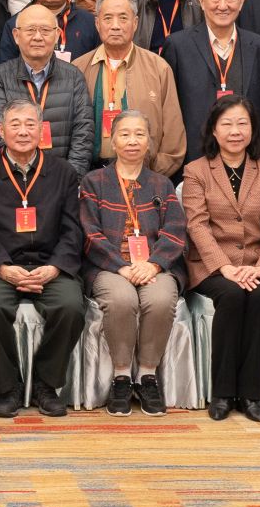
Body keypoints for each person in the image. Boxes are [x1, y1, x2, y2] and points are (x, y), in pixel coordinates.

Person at [0, 102, 86, 417]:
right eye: (15, 124)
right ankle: (8, 388)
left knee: (71, 307)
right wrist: (3, 268)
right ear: (1, 130)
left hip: (49, 264)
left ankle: (46, 384)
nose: (22, 131)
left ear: (42, 130)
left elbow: (73, 230)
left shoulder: (63, 172)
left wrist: (54, 267)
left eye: (30, 124)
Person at [180, 97, 260, 421]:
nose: (235, 131)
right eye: (226, 124)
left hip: (257, 262)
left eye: (242, 123)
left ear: (252, 129)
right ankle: (223, 393)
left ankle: (251, 395)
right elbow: (196, 225)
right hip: (212, 265)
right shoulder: (196, 171)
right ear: (214, 130)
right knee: (232, 295)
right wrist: (224, 267)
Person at [79, 110, 189, 417]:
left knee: (161, 298)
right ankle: (122, 377)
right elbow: (90, 233)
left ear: (149, 143)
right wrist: (121, 266)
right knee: (121, 299)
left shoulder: (162, 184)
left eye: (140, 134)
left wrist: (154, 264)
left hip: (154, 266)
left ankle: (147, 377)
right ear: (112, 141)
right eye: (125, 134)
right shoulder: (94, 181)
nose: (132, 141)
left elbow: (175, 230)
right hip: (109, 265)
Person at [163, 0, 260, 159]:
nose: (223, 6)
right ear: (201, 1)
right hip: (194, 155)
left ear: (241, 2)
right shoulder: (178, 46)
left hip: (248, 156)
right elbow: (170, 108)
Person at [75, 0, 187, 174]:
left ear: (135, 23)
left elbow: (173, 134)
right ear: (97, 23)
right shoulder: (78, 68)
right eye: (108, 18)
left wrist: (151, 176)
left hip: (145, 173)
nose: (115, 26)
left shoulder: (158, 68)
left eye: (123, 18)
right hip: (91, 174)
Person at [0, 2, 97, 170]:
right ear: (16, 36)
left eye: (45, 30)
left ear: (57, 35)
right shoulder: (0, 77)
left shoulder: (74, 76)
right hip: (15, 176)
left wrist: (70, 178)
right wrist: (20, 173)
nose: (38, 37)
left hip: (62, 177)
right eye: (30, 30)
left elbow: (84, 132)